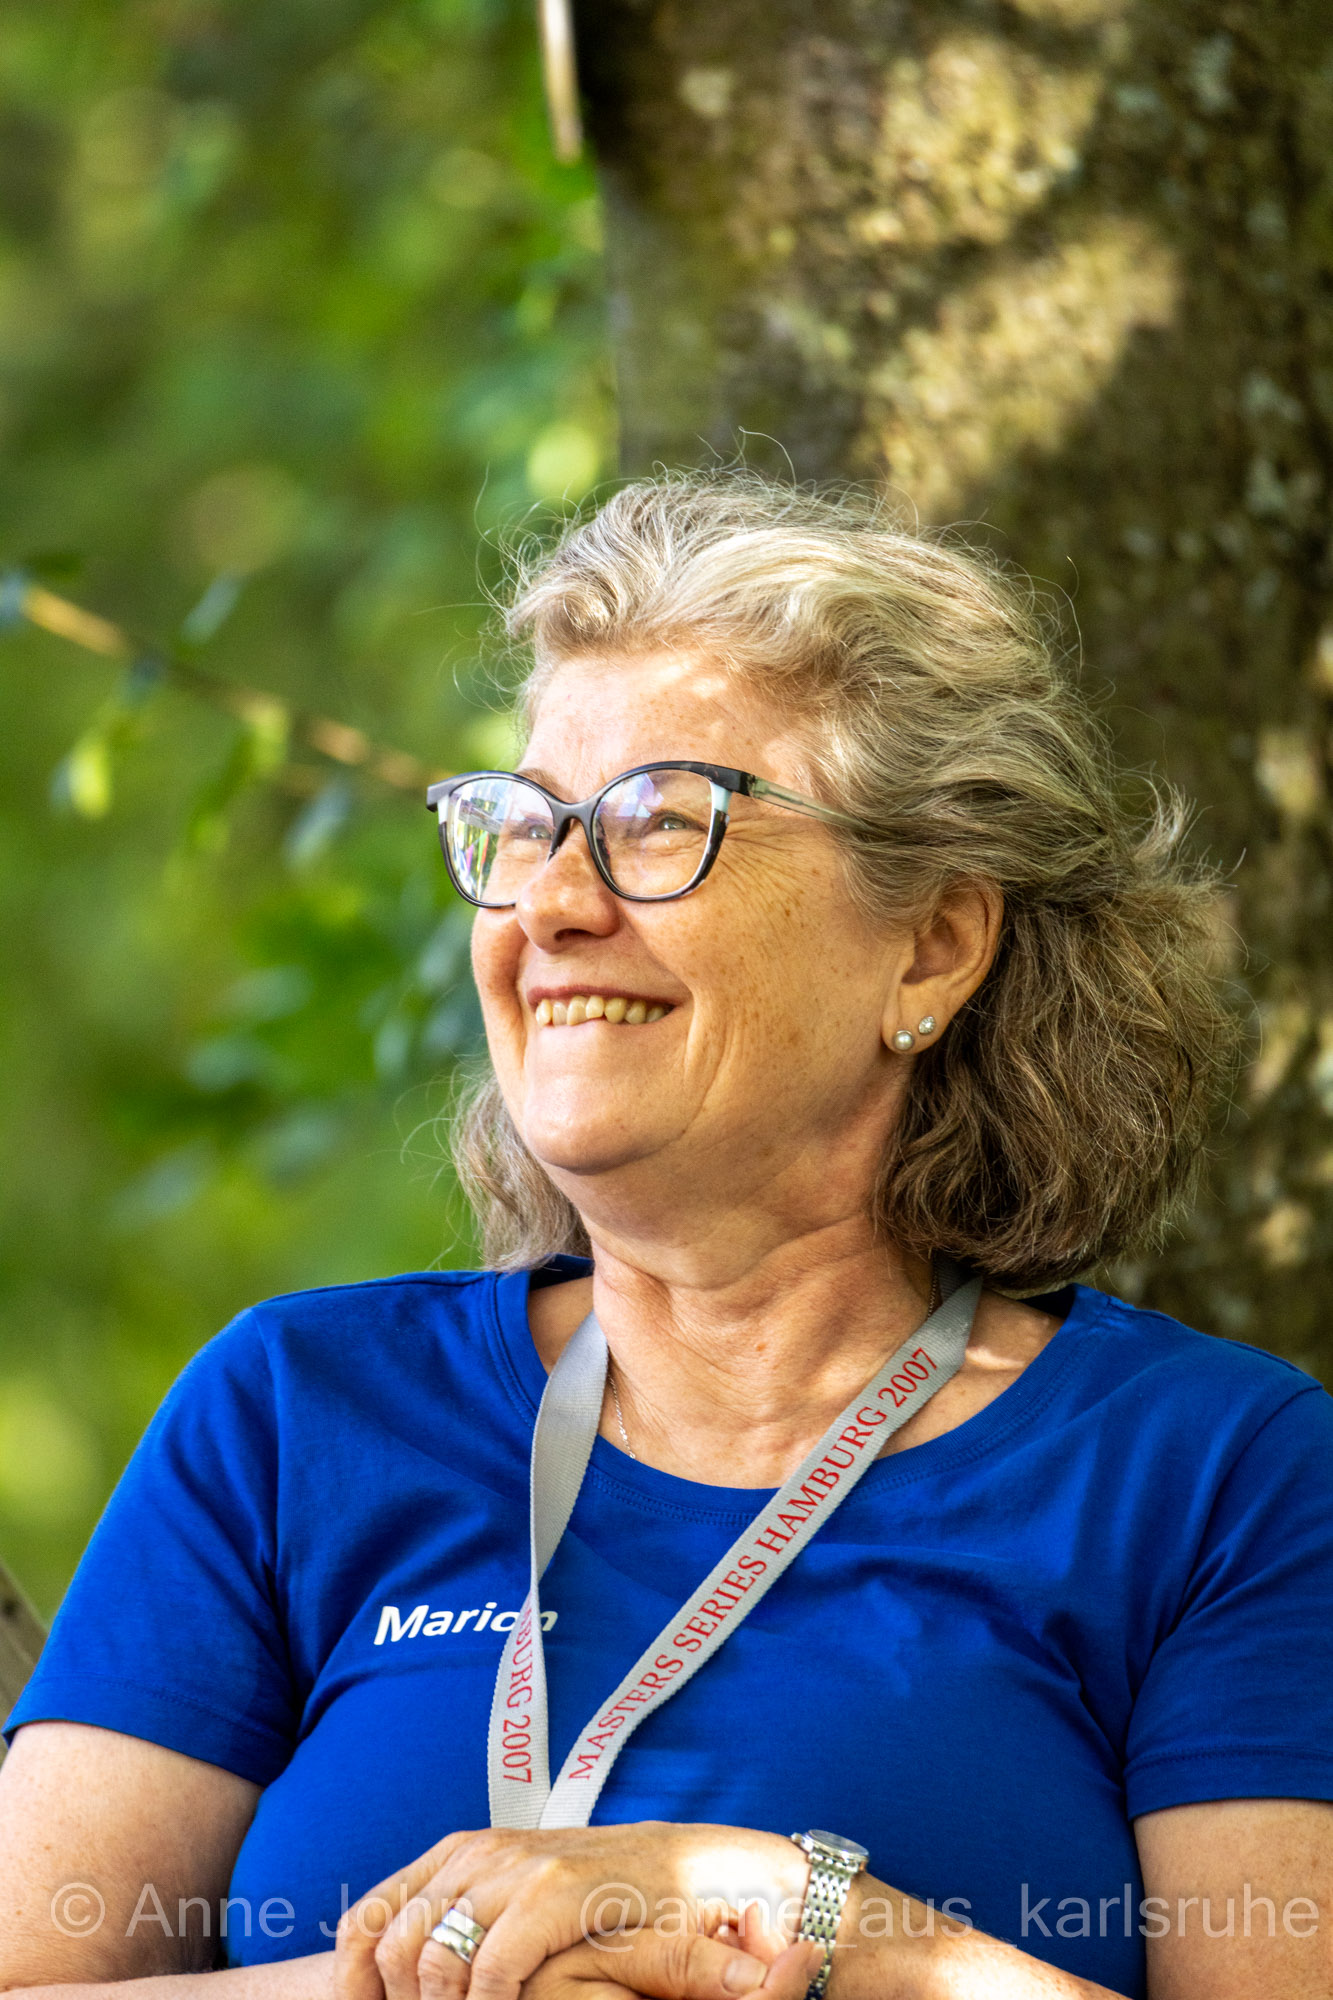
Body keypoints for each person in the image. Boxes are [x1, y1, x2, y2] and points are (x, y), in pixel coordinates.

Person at [2, 473, 1331, 2000]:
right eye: (521, 827)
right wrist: (477, 1975)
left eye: (658, 823)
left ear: (932, 944)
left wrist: (788, 1921)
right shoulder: (298, 1416)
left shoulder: (1212, 1474)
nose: (552, 903)